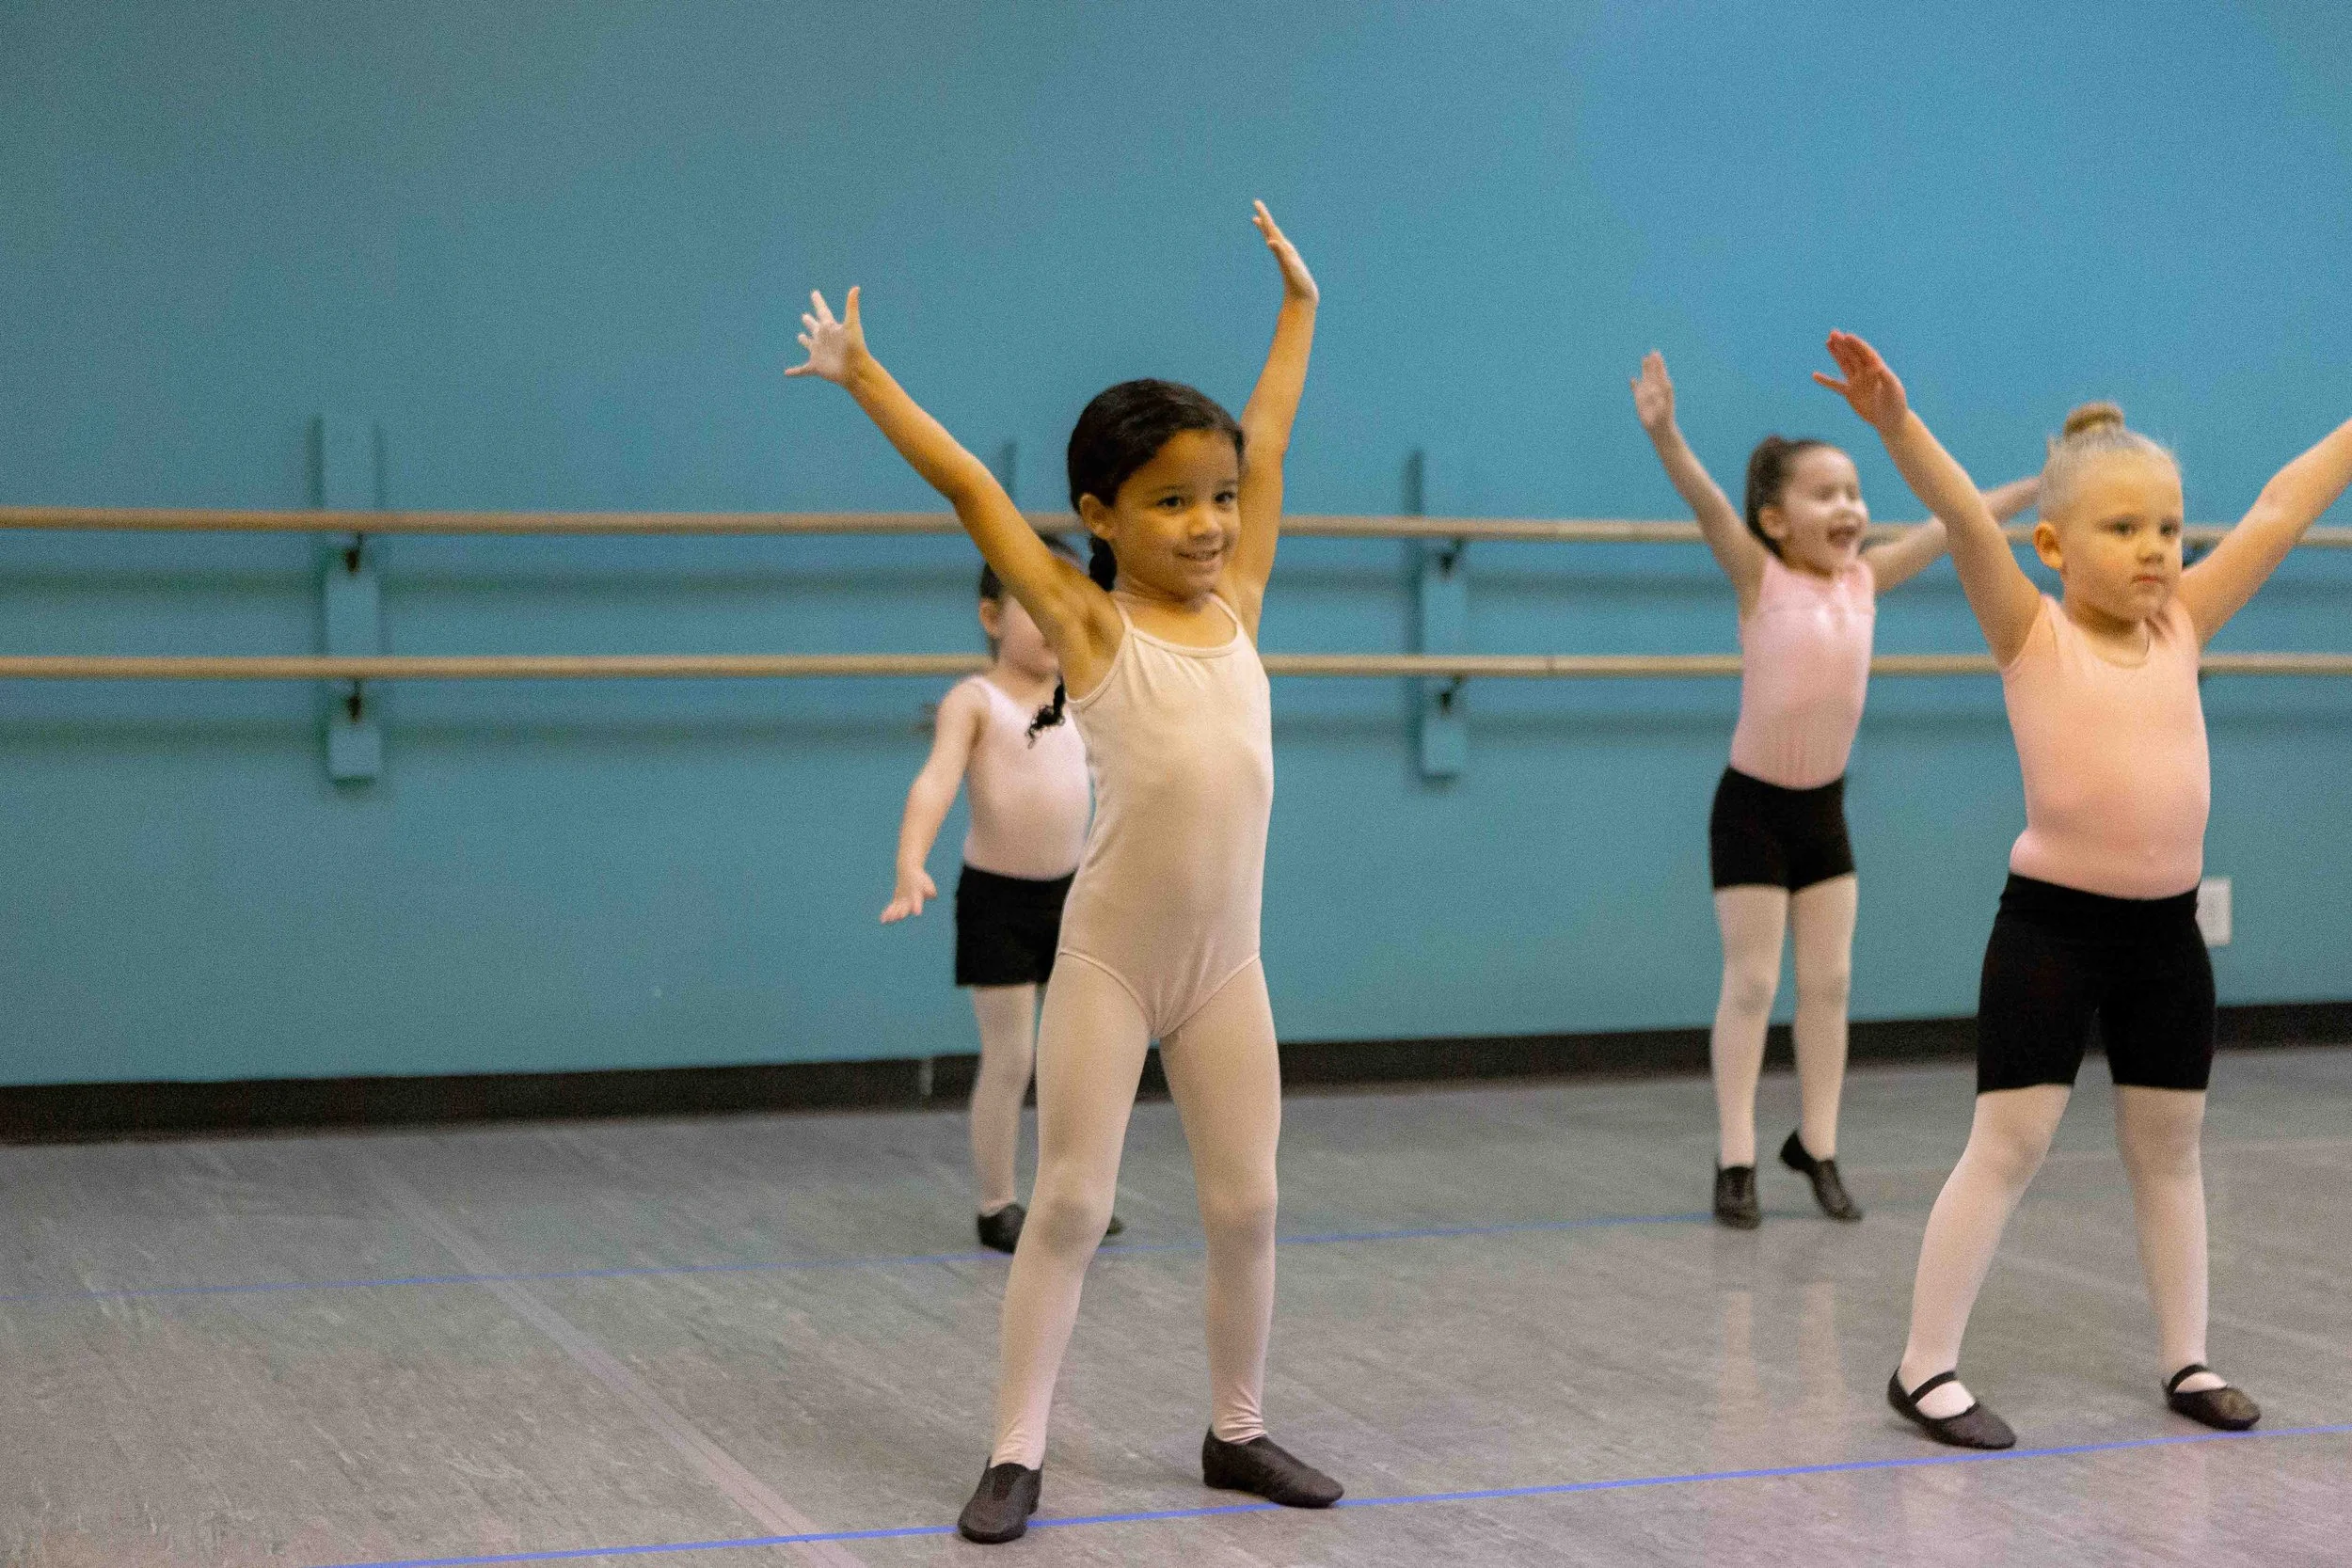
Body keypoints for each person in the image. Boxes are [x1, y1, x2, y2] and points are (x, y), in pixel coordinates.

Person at [789, 201, 1341, 1543]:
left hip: (1229, 968)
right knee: (1077, 1202)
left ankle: (1239, 1426)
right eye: (1171, 503)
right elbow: (973, 488)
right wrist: (866, 379)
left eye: (1216, 499)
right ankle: (1016, 1447)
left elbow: (1267, 443)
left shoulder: (1241, 600)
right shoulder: (1091, 626)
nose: (1209, 523)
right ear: (1101, 513)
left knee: (1251, 1200)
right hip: (1107, 960)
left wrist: (1299, 310)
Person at [1815, 328, 2352, 1448]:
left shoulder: (2184, 624)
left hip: (2166, 936)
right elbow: (1966, 516)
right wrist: (1894, 425)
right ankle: (1923, 1366)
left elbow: (2280, 509)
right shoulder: (2029, 631)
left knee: (2168, 1146)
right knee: (2007, 1143)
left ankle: (2187, 1356)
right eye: (2123, 529)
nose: (2156, 550)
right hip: (2051, 932)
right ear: (2054, 544)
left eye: (2166, 526)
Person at [1632, 353, 2038, 1227]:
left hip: (1823, 813)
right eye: (1826, 495)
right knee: (1751, 983)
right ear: (1775, 521)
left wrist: (2044, 482)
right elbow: (1706, 500)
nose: (1850, 508)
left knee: (1832, 981)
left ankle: (1816, 1143)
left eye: (1855, 491)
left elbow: (1960, 520)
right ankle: (1735, 1154)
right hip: (1750, 811)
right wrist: (1665, 430)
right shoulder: (1759, 577)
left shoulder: (1866, 580)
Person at [881, 537, 1119, 1253]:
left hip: (1076, 897)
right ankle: (996, 1203)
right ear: (991, 614)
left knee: (1083, 1057)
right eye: (1032, 607)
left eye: (1062, 604)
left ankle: (1074, 1196)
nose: (1053, 621)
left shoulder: (1084, 693)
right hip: (997, 901)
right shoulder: (974, 701)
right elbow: (936, 779)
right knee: (1012, 1055)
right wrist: (910, 860)